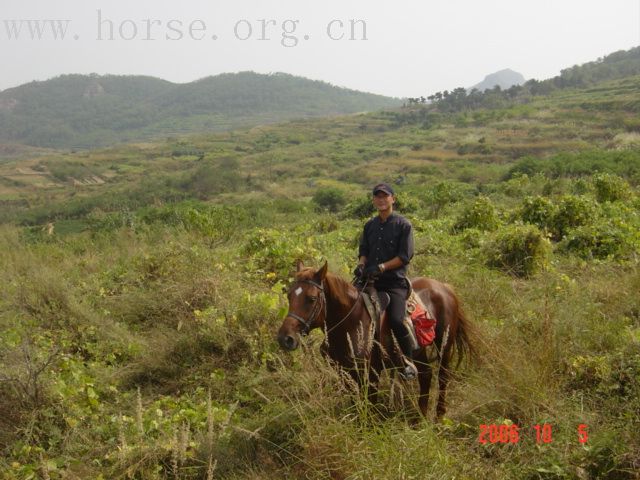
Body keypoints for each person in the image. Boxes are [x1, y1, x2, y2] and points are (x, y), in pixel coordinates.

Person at [354, 182, 418, 380]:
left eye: (385, 196)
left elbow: (405, 256)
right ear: (373, 200)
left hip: (393, 283)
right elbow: (364, 251)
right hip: (369, 281)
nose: (381, 200)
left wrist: (382, 267)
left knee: (398, 320)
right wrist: (362, 264)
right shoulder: (370, 225)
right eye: (378, 197)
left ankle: (408, 363)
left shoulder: (403, 225)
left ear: (393, 199)